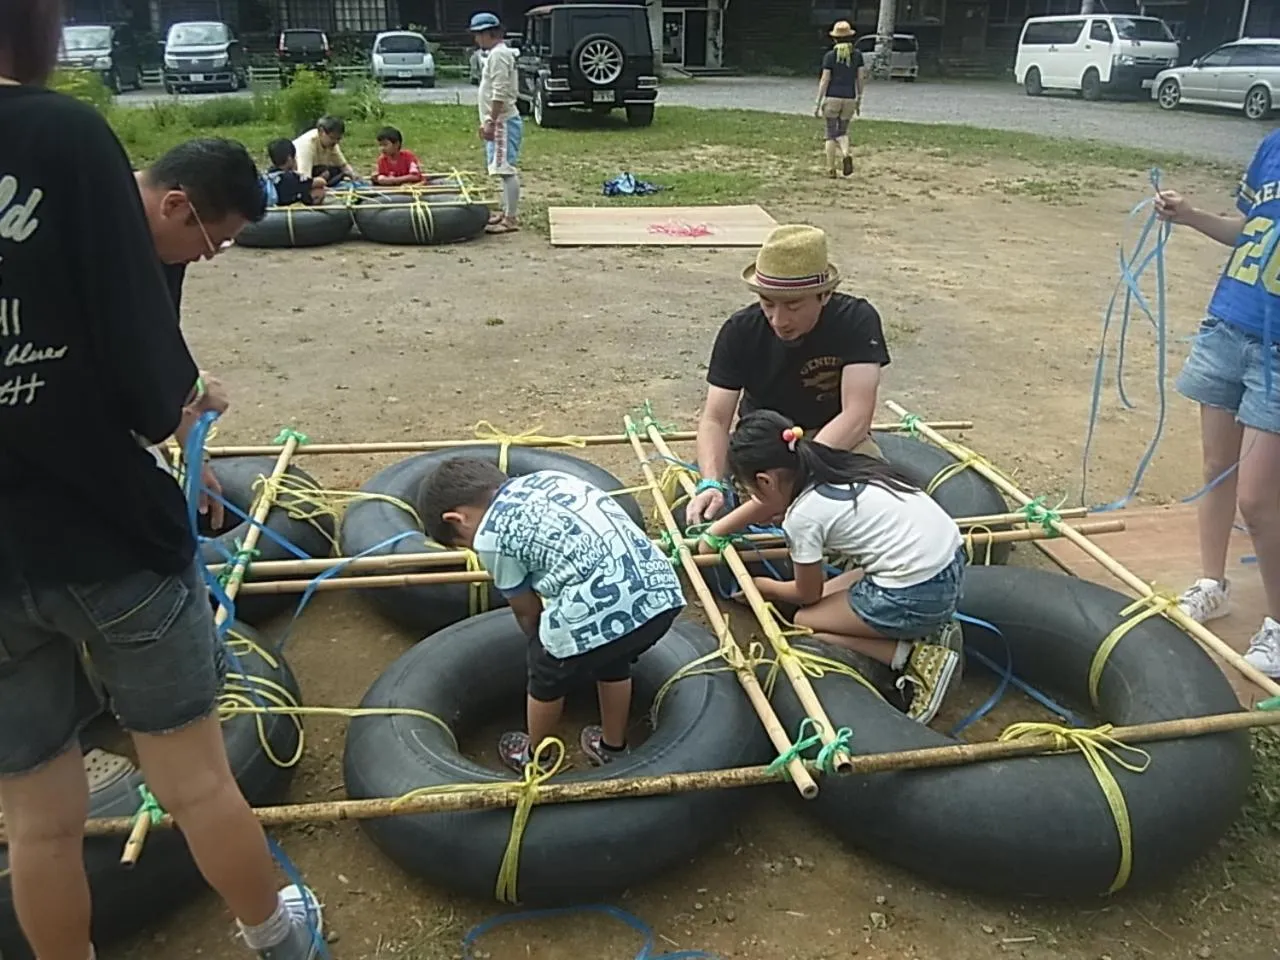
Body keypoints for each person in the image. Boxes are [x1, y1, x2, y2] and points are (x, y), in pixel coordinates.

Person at [0, 8, 324, 958]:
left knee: (39, 819)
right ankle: (280, 938)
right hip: (101, 537)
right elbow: (149, 394)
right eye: (212, 244)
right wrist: (186, 404)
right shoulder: (63, 137)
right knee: (193, 779)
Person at [420, 459, 686, 771]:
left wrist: (542, 645)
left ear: (458, 519)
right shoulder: (549, 478)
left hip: (599, 608)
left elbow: (526, 608)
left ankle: (536, 756)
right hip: (661, 596)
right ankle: (613, 745)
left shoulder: (491, 537)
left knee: (545, 673)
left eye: (463, 543)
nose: (473, 547)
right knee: (614, 659)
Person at [700, 411, 965, 724]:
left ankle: (913, 657)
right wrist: (714, 533)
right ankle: (926, 624)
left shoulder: (804, 516)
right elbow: (771, 502)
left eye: (750, 491)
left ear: (765, 481)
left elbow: (806, 593)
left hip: (916, 592)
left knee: (804, 620)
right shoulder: (832, 464)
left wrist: (761, 587)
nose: (752, 498)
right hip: (949, 564)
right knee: (839, 588)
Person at [1160, 130, 1280, 678]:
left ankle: (1277, 626)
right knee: (1217, 471)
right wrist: (1190, 216)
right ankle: (1214, 584)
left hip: (1277, 349)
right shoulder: (1272, 145)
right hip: (1229, 323)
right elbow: (1248, 230)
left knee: (1257, 499)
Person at [684, 224, 891, 528]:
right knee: (720, 508)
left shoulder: (856, 320)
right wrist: (711, 483)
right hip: (764, 441)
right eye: (768, 304)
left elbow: (857, 415)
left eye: (793, 306)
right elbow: (715, 419)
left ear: (825, 295)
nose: (779, 320)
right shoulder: (740, 330)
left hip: (834, 438)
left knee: (876, 502)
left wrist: (802, 477)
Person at [470, 12, 522, 235]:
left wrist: (491, 120)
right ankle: (505, 211)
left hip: (502, 121)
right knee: (500, 169)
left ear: (487, 33)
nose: (476, 39)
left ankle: (511, 218)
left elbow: (500, 92)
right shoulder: (495, 54)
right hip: (499, 121)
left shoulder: (499, 56)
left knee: (505, 168)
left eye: (477, 34)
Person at [814, 21, 865, 179]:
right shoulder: (857, 56)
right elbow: (861, 77)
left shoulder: (830, 56)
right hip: (849, 97)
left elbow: (825, 79)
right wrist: (859, 98)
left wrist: (818, 102)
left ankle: (831, 168)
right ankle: (846, 153)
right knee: (842, 131)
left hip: (833, 97)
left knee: (830, 133)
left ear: (835, 39)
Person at [292, 115, 355, 186]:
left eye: (338, 139)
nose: (336, 142)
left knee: (336, 171)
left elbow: (343, 165)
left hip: (314, 169)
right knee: (325, 174)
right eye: (332, 138)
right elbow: (304, 177)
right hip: (296, 175)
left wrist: (353, 175)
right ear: (321, 132)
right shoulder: (307, 145)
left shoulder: (332, 144)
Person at [263, 138, 327, 206]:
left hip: (275, 201)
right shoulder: (292, 177)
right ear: (289, 158)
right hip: (285, 203)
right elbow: (321, 182)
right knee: (319, 191)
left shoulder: (269, 175)